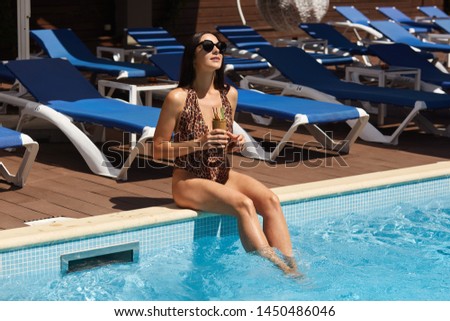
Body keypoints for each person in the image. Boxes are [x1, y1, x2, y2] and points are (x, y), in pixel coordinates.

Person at [152, 31, 299, 275]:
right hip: (189, 178)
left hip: (222, 173)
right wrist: (199, 143)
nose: (216, 50)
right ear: (192, 57)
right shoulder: (177, 98)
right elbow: (157, 150)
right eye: (208, 46)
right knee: (244, 204)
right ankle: (280, 270)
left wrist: (233, 144)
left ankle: (293, 265)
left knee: (271, 200)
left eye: (219, 46)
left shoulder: (228, 94)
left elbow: (221, 143)